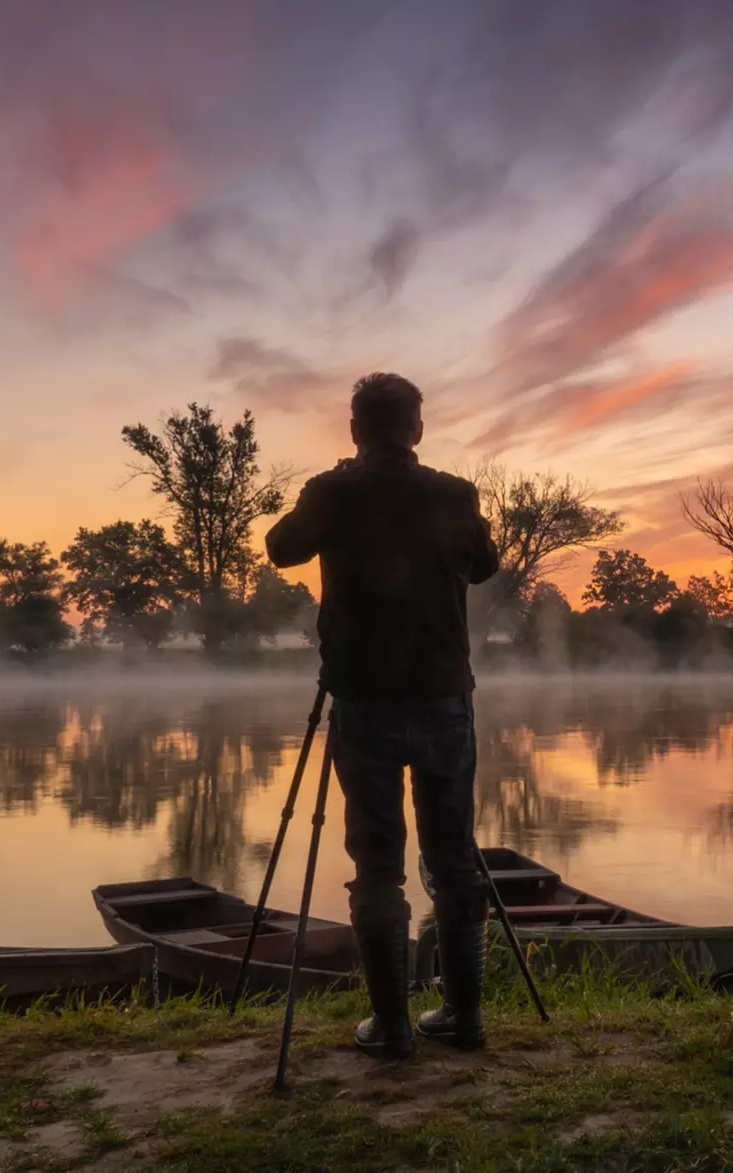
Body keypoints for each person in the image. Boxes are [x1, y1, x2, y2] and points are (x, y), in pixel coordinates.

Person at [265, 371, 501, 1057]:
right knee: (454, 859)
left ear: (354, 431)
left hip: (364, 701)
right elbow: (483, 566)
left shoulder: (333, 490)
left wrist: (334, 487)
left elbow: (282, 548)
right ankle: (464, 1016)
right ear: (417, 429)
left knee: (376, 866)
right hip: (442, 698)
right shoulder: (455, 494)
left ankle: (392, 1026)